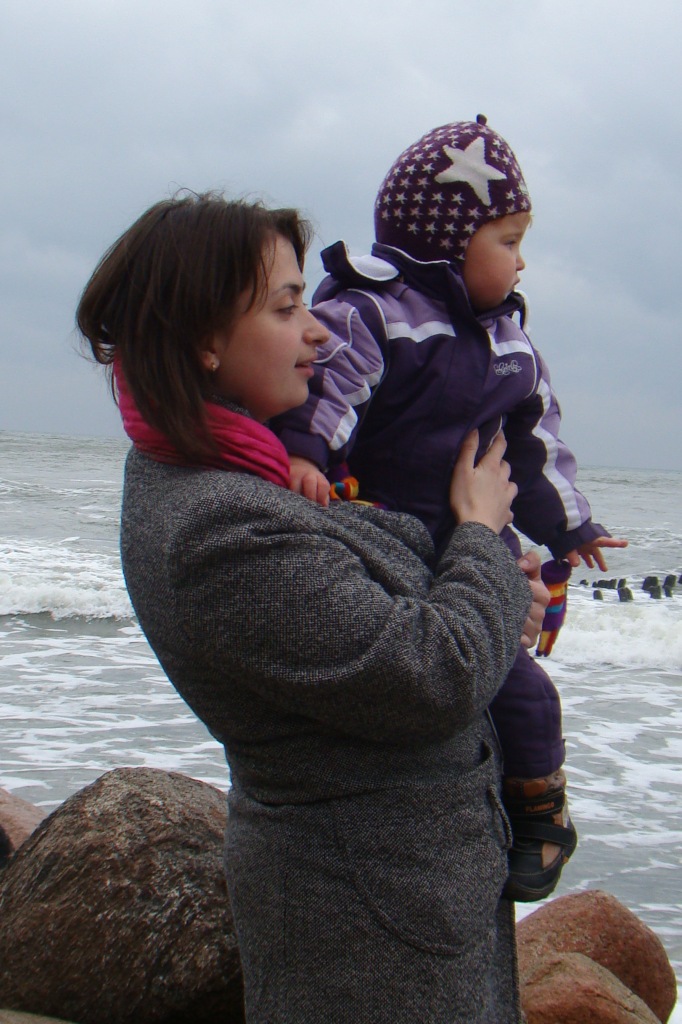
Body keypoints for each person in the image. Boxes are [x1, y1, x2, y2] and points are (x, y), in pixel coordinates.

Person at [77, 191, 549, 1023]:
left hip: (408, 901)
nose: (321, 333)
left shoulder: (235, 472)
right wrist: (480, 536)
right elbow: (431, 675)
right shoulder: (218, 525)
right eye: (287, 307)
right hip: (369, 934)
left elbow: (366, 576)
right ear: (205, 340)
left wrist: (496, 586)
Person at [272, 116, 628, 901]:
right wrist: (305, 453)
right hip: (387, 527)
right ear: (447, 242)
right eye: (508, 240)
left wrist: (570, 523)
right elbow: (334, 386)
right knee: (427, 678)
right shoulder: (377, 312)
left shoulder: (511, 345)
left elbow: (535, 444)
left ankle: (539, 811)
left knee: (521, 689)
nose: (522, 260)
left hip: (479, 541)